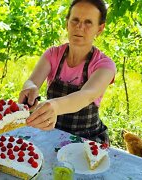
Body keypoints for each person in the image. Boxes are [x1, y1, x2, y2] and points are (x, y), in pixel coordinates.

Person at [18, 0, 116, 144]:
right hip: (52, 133)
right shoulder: (53, 54)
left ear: (99, 29)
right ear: (67, 23)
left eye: (88, 22)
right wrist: (30, 89)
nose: (79, 27)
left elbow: (86, 96)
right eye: (75, 20)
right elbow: (33, 81)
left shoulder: (104, 65)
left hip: (87, 140)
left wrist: (54, 106)